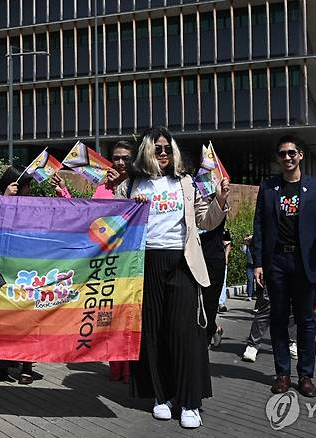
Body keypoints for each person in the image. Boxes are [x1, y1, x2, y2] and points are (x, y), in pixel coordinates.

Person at [116, 126, 229, 429]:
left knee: (185, 333)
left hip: (181, 261)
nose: (163, 153)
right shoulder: (131, 185)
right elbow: (112, 220)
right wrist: (128, 206)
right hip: (145, 263)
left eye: (167, 148)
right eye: (157, 148)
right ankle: (161, 396)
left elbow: (206, 220)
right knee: (153, 332)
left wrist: (219, 201)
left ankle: (189, 401)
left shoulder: (187, 182)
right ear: (147, 152)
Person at [252, 135, 316, 398]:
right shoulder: (268, 187)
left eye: (292, 153)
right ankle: (282, 374)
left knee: (305, 320)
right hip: (277, 261)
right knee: (278, 319)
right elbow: (259, 227)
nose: (287, 158)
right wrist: (258, 262)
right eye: (282, 154)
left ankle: (305, 375)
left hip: (305, 261)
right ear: (278, 158)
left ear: (301, 155)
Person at [0, 165, 70, 385]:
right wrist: (5, 200)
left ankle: (27, 367)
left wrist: (62, 191)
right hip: (4, 272)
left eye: (29, 186)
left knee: (29, 320)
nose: (29, 190)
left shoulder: (34, 207)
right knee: (1, 322)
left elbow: (67, 215)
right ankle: (0, 367)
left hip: (29, 272)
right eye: (26, 186)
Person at [92, 140, 136, 383]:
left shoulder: (141, 183)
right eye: (116, 158)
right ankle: (115, 364)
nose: (120, 162)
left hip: (133, 261)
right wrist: (107, 187)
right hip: (110, 261)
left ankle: (129, 366)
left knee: (130, 315)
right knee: (110, 314)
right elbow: (92, 215)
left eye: (125, 158)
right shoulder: (105, 187)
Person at [242, 285, 298, 362]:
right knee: (267, 305)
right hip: (274, 274)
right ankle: (253, 344)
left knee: (293, 307)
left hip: (296, 275)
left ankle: (292, 342)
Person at [200, 220, 229, 349]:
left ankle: (205, 340)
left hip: (213, 260)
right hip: (191, 258)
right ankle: (214, 329)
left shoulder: (216, 204)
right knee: (192, 303)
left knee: (209, 304)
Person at [216, 228, 232, 314]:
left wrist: (226, 256)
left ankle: (221, 303)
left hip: (221, 260)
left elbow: (228, 244)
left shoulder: (224, 230)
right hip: (206, 259)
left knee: (222, 282)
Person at [242, 235, 255, 301]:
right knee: (250, 280)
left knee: (259, 281)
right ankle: (250, 295)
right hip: (249, 265)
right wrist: (245, 241)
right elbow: (243, 250)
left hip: (256, 266)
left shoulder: (256, 246)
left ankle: (256, 295)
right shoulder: (246, 247)